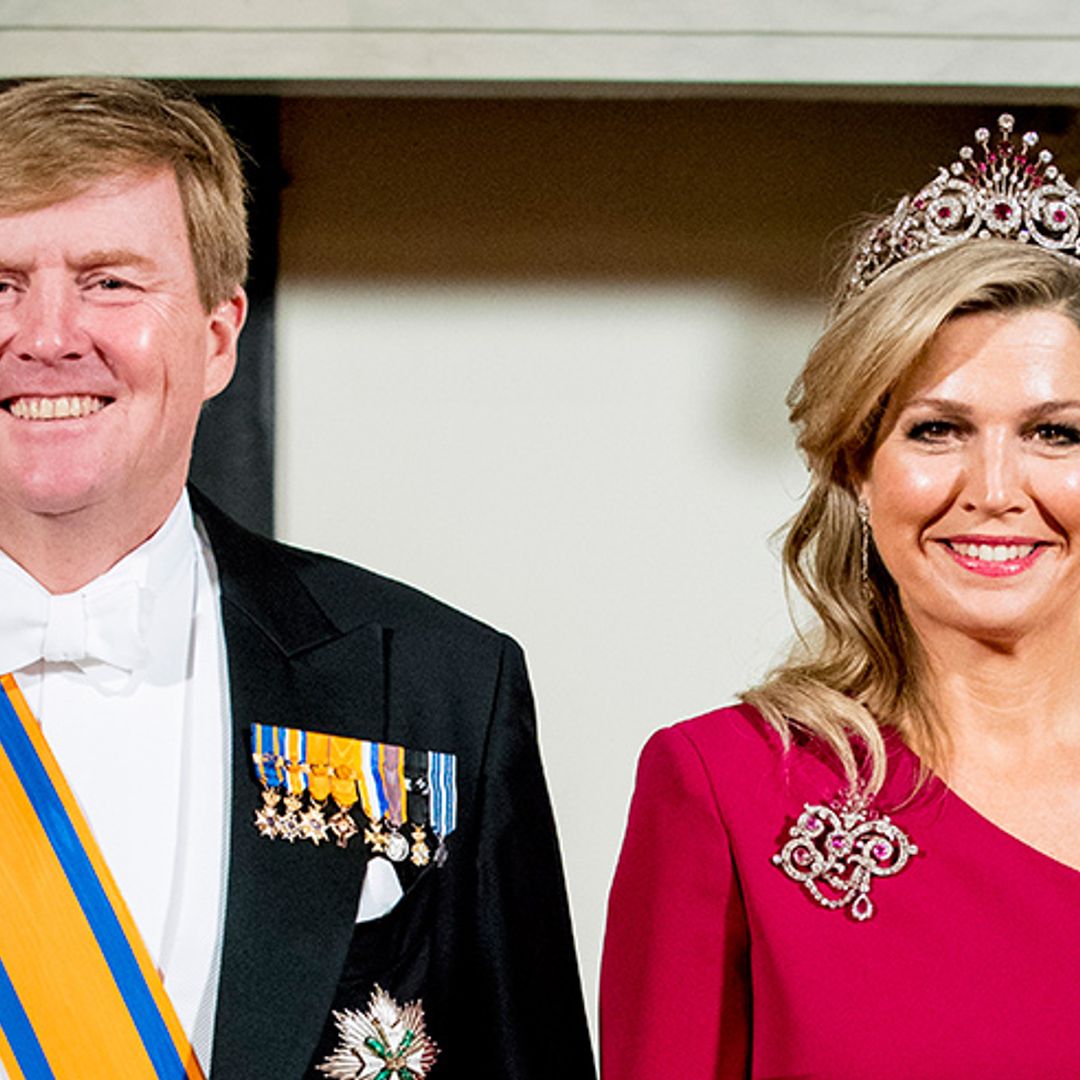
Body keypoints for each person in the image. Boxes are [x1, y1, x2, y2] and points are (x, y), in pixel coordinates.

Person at [0, 77, 595, 1079]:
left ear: (220, 337)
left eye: (109, 280)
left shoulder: (436, 689)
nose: (47, 335)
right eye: (1, 283)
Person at [601, 113, 1080, 1077]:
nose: (993, 490)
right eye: (936, 430)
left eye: (1057, 434)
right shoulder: (725, 788)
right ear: (857, 467)